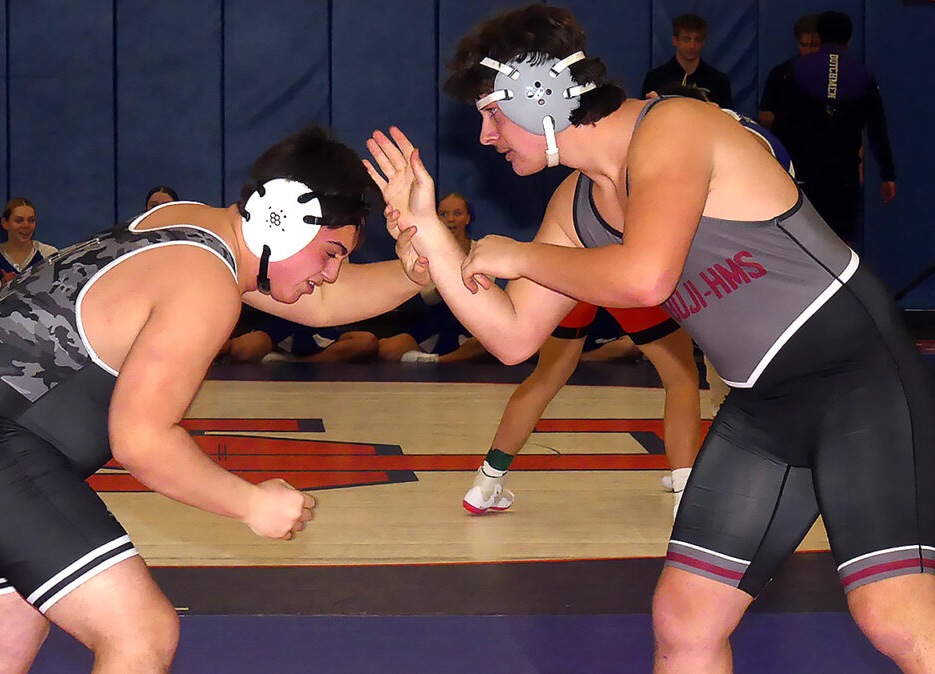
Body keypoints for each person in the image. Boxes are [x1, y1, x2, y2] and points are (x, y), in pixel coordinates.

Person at [366, 5, 935, 671]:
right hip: (763, 408)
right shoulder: (575, 205)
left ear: (538, 92)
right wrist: (432, 236)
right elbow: (514, 335)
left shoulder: (674, 126)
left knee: (894, 615)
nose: (487, 136)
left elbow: (644, 277)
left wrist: (519, 255)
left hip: (858, 381)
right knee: (685, 620)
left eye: (492, 112)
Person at [0, 124, 429, 672]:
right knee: (140, 633)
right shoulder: (205, 284)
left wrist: (418, 270)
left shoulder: (190, 225)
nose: (331, 273)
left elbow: (322, 306)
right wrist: (250, 504)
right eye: (330, 253)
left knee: (4, 641)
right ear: (280, 220)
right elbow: (140, 440)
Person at [464, 301, 701, 519]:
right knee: (680, 378)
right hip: (618, 274)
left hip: (570, 278)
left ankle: (487, 483)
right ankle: (686, 494)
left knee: (546, 375)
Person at [781, 11, 896, 247]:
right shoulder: (862, 75)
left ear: (819, 36)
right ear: (850, 39)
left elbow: (783, 121)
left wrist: (780, 167)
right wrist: (887, 173)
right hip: (843, 175)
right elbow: (877, 128)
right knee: (842, 243)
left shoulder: (798, 69)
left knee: (801, 241)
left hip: (804, 172)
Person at [378, 192, 489, 364]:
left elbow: (487, 292)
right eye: (444, 214)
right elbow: (428, 296)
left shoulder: (481, 251)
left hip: (473, 322)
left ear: (467, 218)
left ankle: (440, 360)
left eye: (457, 213)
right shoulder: (428, 253)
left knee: (491, 342)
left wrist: (446, 284)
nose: (450, 219)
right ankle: (431, 357)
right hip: (437, 321)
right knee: (387, 349)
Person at [221, 307, 379, 363]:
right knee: (242, 351)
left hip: (321, 330)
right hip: (280, 326)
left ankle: (298, 362)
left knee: (365, 342)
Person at [641, 13, 731, 108]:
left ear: (703, 42)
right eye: (687, 39)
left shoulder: (719, 82)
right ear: (675, 40)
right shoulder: (655, 79)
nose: (692, 45)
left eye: (697, 40)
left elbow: (726, 116)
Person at [0, 198, 58, 296]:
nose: (26, 225)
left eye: (31, 220)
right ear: (4, 223)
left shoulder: (49, 253)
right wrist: (5, 288)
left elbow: (51, 295)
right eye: (19, 221)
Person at [758, 14, 820, 133]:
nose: (808, 51)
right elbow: (765, 117)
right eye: (804, 45)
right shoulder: (781, 73)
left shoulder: (836, 74)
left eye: (814, 46)